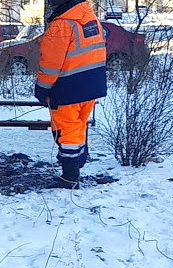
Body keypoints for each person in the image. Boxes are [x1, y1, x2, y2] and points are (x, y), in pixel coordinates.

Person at [34, 0, 107, 188]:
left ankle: (69, 177)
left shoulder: (61, 25)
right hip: (91, 85)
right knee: (78, 126)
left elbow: (50, 64)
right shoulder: (89, 17)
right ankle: (77, 164)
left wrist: (42, 89)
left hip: (68, 88)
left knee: (67, 132)